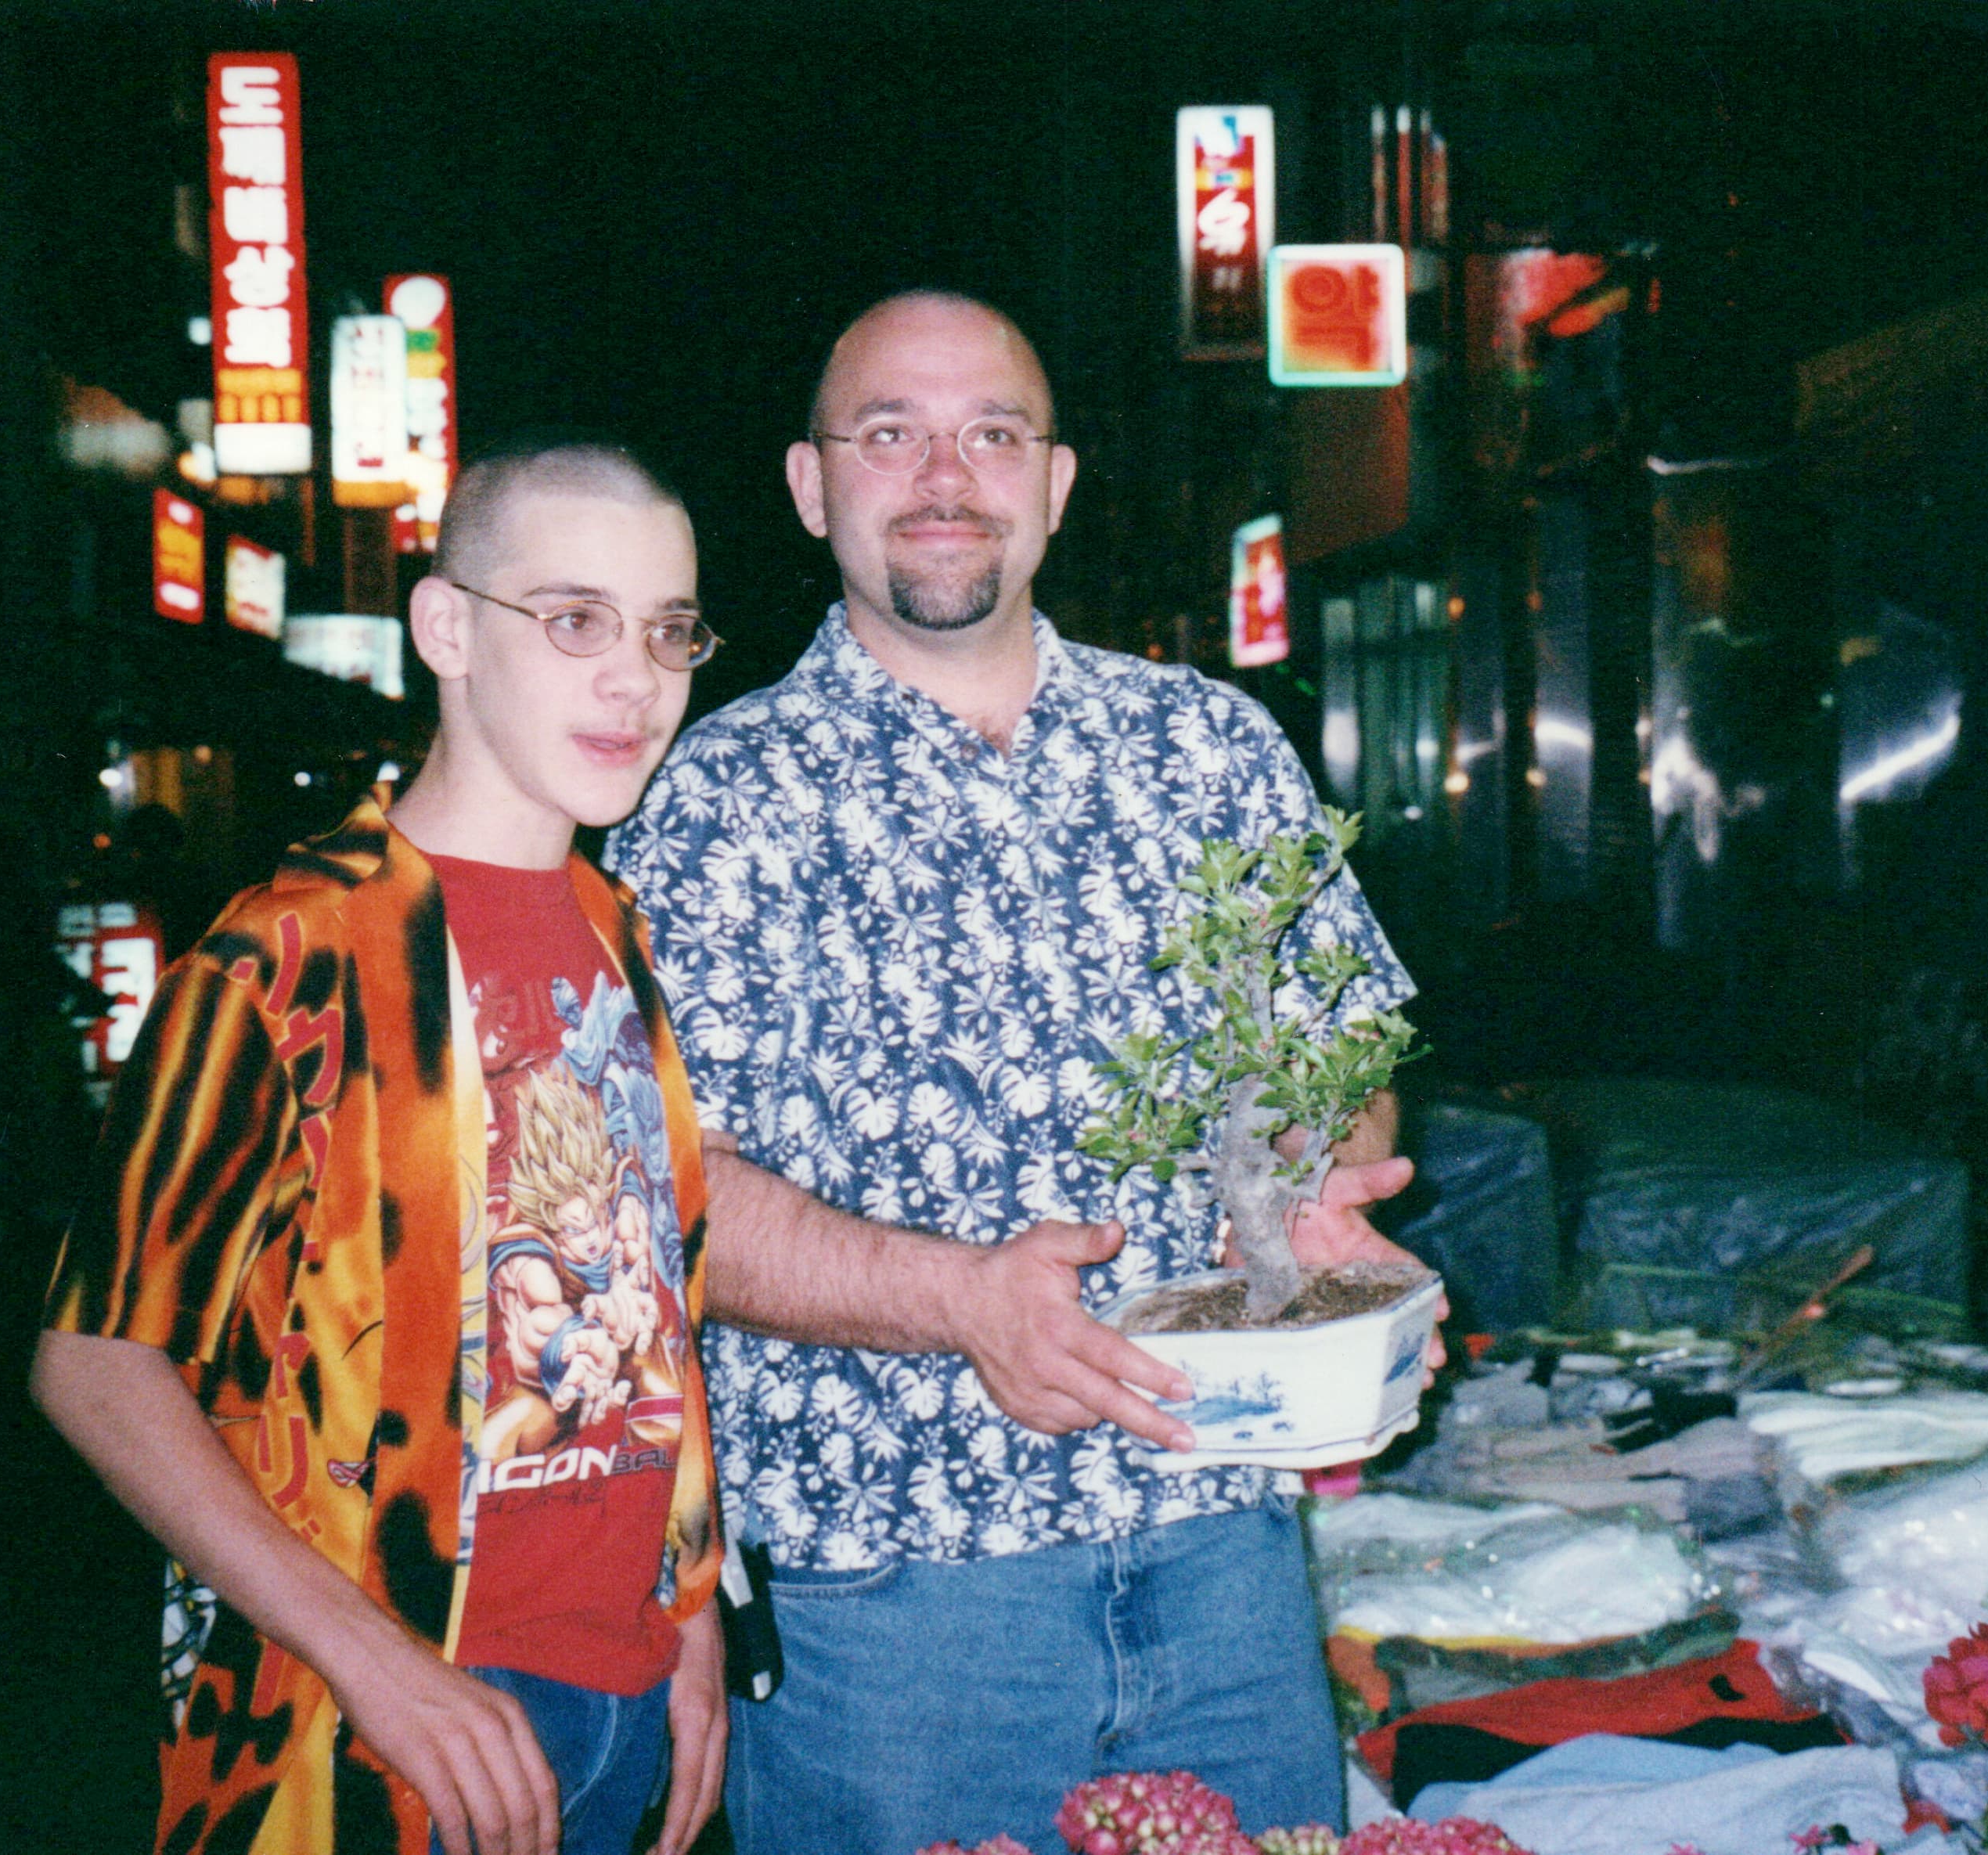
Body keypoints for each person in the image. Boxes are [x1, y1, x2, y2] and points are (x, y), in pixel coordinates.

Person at [607, 291, 1431, 1854]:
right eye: (887, 433)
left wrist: (1326, 1200)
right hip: (894, 1610)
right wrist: (958, 1302)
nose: (942, 475)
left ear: (1052, 486)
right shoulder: (706, 802)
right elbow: (661, 1188)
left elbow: (1338, 1049)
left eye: (991, 433)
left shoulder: (1210, 746)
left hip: (1225, 1556)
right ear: (809, 485)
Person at [34, 440, 730, 1855]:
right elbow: (96, 1362)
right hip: (380, 1714)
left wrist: (695, 1606)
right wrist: (379, 1661)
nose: (636, 678)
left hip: (622, 1688)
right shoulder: (286, 958)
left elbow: (652, 1303)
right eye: (577, 619)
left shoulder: (616, 931)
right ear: (447, 627)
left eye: (669, 631)